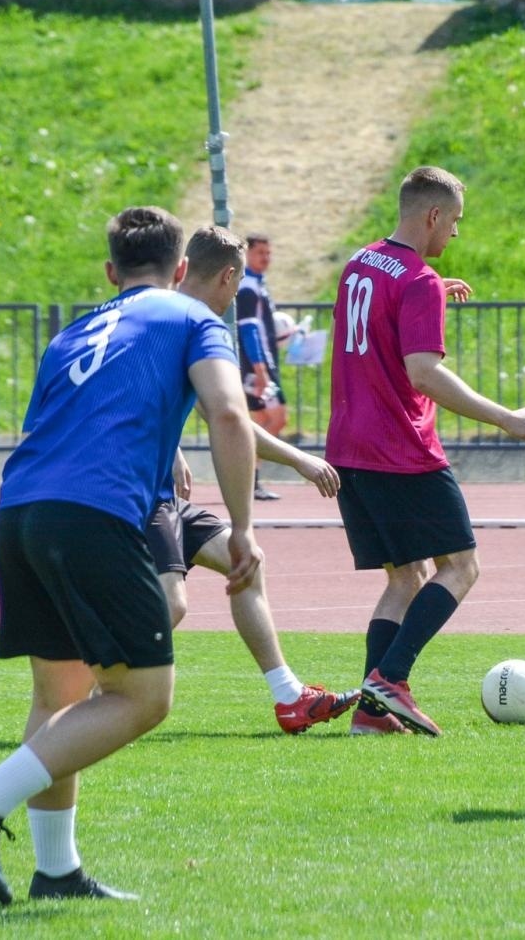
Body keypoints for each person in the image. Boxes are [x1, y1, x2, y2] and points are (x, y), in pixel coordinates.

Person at [0, 206, 261, 903]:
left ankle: (56, 870)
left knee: (59, 695)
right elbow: (230, 414)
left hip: (20, 510)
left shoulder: (70, 334)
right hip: (93, 513)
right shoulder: (194, 318)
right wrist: (243, 527)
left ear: (111, 273)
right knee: (143, 697)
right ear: (180, 272)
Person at [326, 165, 525, 737]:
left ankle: (372, 716)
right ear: (432, 215)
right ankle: (389, 680)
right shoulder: (416, 279)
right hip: (398, 448)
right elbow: (423, 373)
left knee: (405, 577)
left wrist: (427, 294)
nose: (455, 234)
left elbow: (378, 320)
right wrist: (505, 417)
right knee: (460, 566)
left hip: (348, 447)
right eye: (453, 222)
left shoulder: (361, 263)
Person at [150, 225, 359, 733]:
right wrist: (301, 461)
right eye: (239, 282)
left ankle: (289, 696)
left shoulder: (161, 316)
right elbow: (230, 422)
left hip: (159, 490)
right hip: (133, 492)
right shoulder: (189, 325)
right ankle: (84, 694)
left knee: (243, 564)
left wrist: (173, 446)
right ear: (227, 277)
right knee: (171, 605)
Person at [238, 232, 286, 500]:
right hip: (256, 367)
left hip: (265, 363)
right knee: (274, 418)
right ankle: (246, 477)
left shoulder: (259, 284)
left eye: (268, 253)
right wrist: (260, 371)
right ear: (247, 253)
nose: (266, 258)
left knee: (266, 420)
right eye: (260, 253)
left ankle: (250, 480)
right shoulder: (247, 287)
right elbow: (248, 331)